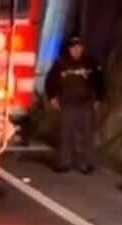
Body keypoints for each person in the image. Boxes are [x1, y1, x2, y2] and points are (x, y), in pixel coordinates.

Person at [43, 35, 104, 173]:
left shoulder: (91, 63)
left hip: (85, 104)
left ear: (82, 48)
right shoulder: (60, 64)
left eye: (79, 47)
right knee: (66, 135)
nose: (76, 50)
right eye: (73, 48)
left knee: (87, 136)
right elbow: (50, 81)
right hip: (67, 104)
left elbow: (100, 82)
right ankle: (64, 163)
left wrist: (98, 99)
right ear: (69, 49)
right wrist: (52, 98)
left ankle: (87, 164)